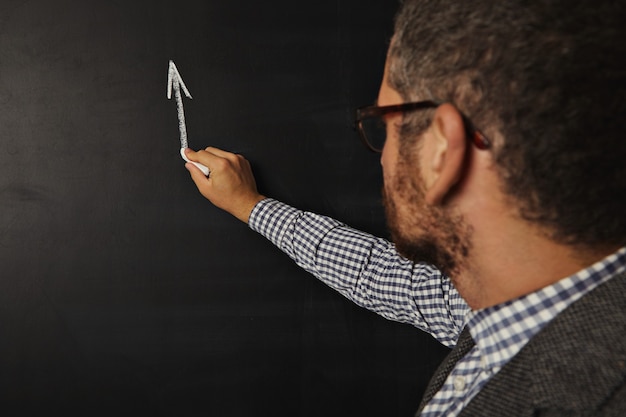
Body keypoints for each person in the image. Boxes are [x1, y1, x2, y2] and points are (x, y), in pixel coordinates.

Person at [183, 0, 626, 415]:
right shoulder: (504, 299)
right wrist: (251, 206)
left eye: (383, 126)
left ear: (441, 152)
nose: (382, 155)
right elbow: (388, 278)